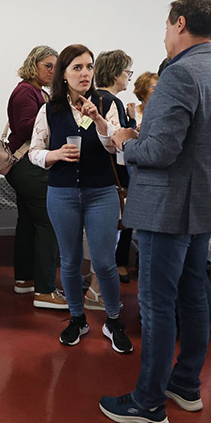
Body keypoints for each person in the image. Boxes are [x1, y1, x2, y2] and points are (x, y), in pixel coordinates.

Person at [102, 0, 211, 423]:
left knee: (157, 304)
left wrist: (126, 141)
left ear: (179, 23)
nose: (163, 36)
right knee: (192, 297)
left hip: (168, 209)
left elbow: (160, 151)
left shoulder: (180, 75)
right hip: (203, 205)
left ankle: (148, 404)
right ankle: (186, 385)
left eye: (165, 26)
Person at [29, 44, 132, 353]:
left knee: (104, 262)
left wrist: (98, 119)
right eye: (77, 67)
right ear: (64, 74)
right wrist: (54, 154)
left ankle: (113, 320)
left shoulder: (108, 102)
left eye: (88, 67)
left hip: (101, 193)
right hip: (61, 193)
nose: (85, 73)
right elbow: (34, 151)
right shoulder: (49, 108)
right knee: (70, 262)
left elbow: (117, 147)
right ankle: (77, 318)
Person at [4, 45, 67, 309]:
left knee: (28, 223)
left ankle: (25, 280)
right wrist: (57, 115)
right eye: (48, 66)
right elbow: (25, 127)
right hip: (29, 167)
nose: (53, 71)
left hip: (25, 167)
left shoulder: (33, 92)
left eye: (55, 66)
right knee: (47, 224)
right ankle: (44, 290)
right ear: (34, 65)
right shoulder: (25, 92)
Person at [94, 50, 137, 287]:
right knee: (114, 231)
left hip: (95, 172)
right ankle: (103, 283)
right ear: (115, 72)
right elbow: (118, 141)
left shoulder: (92, 98)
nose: (129, 76)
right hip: (113, 177)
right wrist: (132, 125)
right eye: (127, 71)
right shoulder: (113, 102)